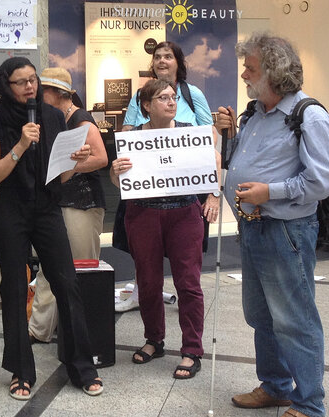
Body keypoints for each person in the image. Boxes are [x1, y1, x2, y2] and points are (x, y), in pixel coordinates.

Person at [215, 34, 329, 417]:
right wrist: (229, 139)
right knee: (262, 317)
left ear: (274, 72)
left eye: (250, 68)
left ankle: (309, 404)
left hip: (286, 233)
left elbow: (325, 179)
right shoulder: (255, 113)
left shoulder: (309, 115)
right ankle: (275, 387)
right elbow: (244, 163)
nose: (243, 74)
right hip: (253, 229)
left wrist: (271, 191)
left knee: (295, 321)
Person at [0, 57, 103, 400]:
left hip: (48, 207)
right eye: (21, 82)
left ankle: (82, 365)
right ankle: (21, 370)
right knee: (15, 288)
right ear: (6, 86)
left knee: (66, 283)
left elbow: (61, 175)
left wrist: (74, 163)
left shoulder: (52, 116)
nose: (30, 87)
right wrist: (20, 145)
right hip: (10, 210)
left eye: (33, 79)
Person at [110, 79, 219, 380]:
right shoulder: (131, 136)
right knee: (147, 281)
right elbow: (118, 180)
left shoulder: (189, 133)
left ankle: (192, 350)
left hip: (184, 214)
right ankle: (154, 339)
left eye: (173, 97)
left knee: (188, 283)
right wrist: (115, 171)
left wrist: (213, 194)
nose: (171, 102)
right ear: (146, 105)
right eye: (163, 98)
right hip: (143, 214)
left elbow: (211, 166)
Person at [116, 40, 215, 313]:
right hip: (148, 192)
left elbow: (209, 139)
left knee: (187, 268)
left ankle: (188, 316)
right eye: (157, 57)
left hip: (184, 194)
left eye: (168, 57)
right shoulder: (140, 97)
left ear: (177, 63)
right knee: (147, 264)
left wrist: (212, 192)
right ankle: (143, 298)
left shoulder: (192, 94)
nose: (161, 61)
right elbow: (127, 134)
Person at [27, 67, 108, 343]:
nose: (38, 96)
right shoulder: (54, 118)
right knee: (53, 267)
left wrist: (65, 168)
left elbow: (101, 158)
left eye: (43, 91)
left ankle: (77, 331)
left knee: (82, 270)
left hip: (82, 203)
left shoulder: (81, 120)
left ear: (57, 94)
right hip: (62, 201)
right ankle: (43, 328)